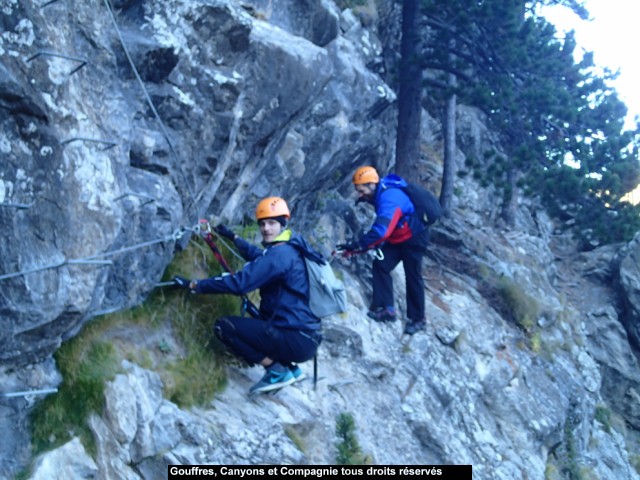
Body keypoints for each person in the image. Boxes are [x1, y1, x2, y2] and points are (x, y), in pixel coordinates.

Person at [173, 197, 322, 395]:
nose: (266, 229)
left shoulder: (280, 255)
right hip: (305, 338)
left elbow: (239, 284)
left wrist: (195, 285)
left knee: (225, 327)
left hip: (292, 336)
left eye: (272, 223)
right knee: (259, 322)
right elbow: (259, 257)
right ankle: (289, 367)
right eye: (262, 224)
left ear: (282, 224)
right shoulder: (293, 247)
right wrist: (233, 237)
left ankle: (276, 369)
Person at [338, 166, 429, 335]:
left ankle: (418, 319)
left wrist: (358, 245)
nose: (360, 194)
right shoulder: (380, 191)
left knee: (413, 276)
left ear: (372, 184)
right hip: (398, 236)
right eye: (358, 191)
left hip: (415, 237)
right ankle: (387, 308)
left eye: (362, 190)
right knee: (381, 264)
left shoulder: (389, 199)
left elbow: (381, 231)